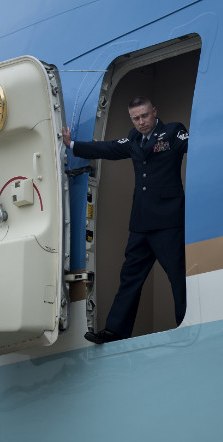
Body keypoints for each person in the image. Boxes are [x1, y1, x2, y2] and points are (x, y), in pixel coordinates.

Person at [61, 96, 188, 344]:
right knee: (130, 279)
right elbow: (108, 148)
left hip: (168, 222)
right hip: (140, 225)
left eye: (144, 116)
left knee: (177, 276)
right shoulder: (132, 139)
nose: (141, 122)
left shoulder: (173, 132)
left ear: (155, 112)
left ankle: (185, 321)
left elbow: (197, 144)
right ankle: (115, 330)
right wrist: (73, 145)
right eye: (136, 118)